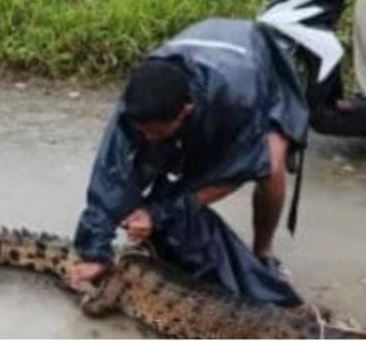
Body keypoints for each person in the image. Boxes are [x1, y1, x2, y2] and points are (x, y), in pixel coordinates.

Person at [67, 18, 308, 307]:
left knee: (270, 165)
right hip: (204, 57)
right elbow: (111, 170)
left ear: (186, 111)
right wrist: (95, 251)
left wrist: (160, 212)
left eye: (155, 132)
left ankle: (264, 252)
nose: (147, 138)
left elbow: (233, 173)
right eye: (142, 130)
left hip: (263, 74)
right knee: (152, 159)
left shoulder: (239, 100)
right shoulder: (140, 99)